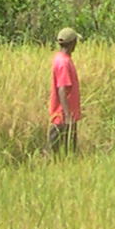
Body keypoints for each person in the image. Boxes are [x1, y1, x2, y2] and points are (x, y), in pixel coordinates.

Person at [48, 26, 82, 155]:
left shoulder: (61, 59)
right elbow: (62, 89)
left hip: (65, 115)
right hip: (63, 117)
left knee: (66, 150)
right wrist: (67, 116)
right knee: (60, 151)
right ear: (72, 43)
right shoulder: (63, 63)